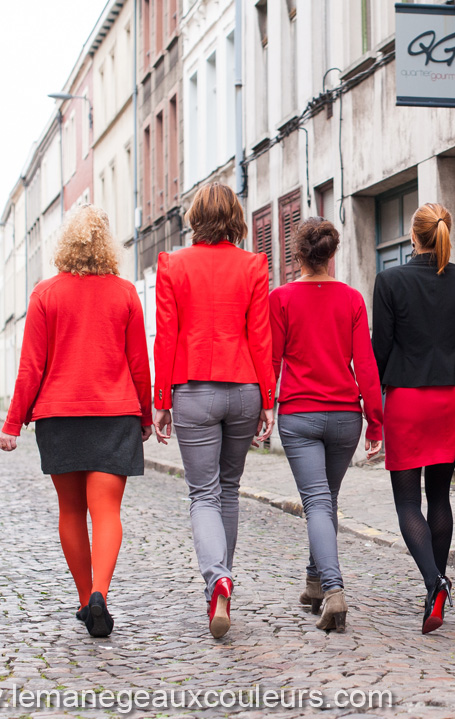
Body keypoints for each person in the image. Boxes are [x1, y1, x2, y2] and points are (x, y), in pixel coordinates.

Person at [0, 205, 152, 638]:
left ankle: (86, 600)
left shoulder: (45, 294)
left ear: (63, 245)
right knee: (106, 511)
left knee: (70, 509)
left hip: (59, 416)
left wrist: (13, 424)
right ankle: (102, 592)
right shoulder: (124, 293)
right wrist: (144, 413)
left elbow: (31, 365)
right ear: (109, 246)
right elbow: (138, 363)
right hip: (113, 413)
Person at [153, 183, 275, 639]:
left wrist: (161, 399)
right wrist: (268, 397)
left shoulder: (173, 264)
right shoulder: (253, 265)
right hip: (243, 388)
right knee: (229, 489)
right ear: (236, 218)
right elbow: (260, 336)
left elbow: (166, 335)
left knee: (203, 493)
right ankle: (220, 587)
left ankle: (217, 581)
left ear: (195, 217)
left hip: (193, 389)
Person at [372, 202, 455, 634]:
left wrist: (373, 405)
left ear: (412, 237)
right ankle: (434, 586)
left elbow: (380, 351)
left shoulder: (390, 280)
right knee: (440, 496)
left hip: (408, 398)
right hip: (454, 395)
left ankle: (434, 582)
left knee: (406, 501)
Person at [269, 217, 384, 633]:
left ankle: (333, 590)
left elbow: (273, 359)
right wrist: (375, 422)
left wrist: (266, 405)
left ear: (298, 255)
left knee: (317, 503)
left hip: (299, 415)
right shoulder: (351, 299)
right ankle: (315, 584)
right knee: (326, 501)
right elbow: (365, 365)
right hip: (344, 417)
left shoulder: (280, 298)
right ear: (331, 255)